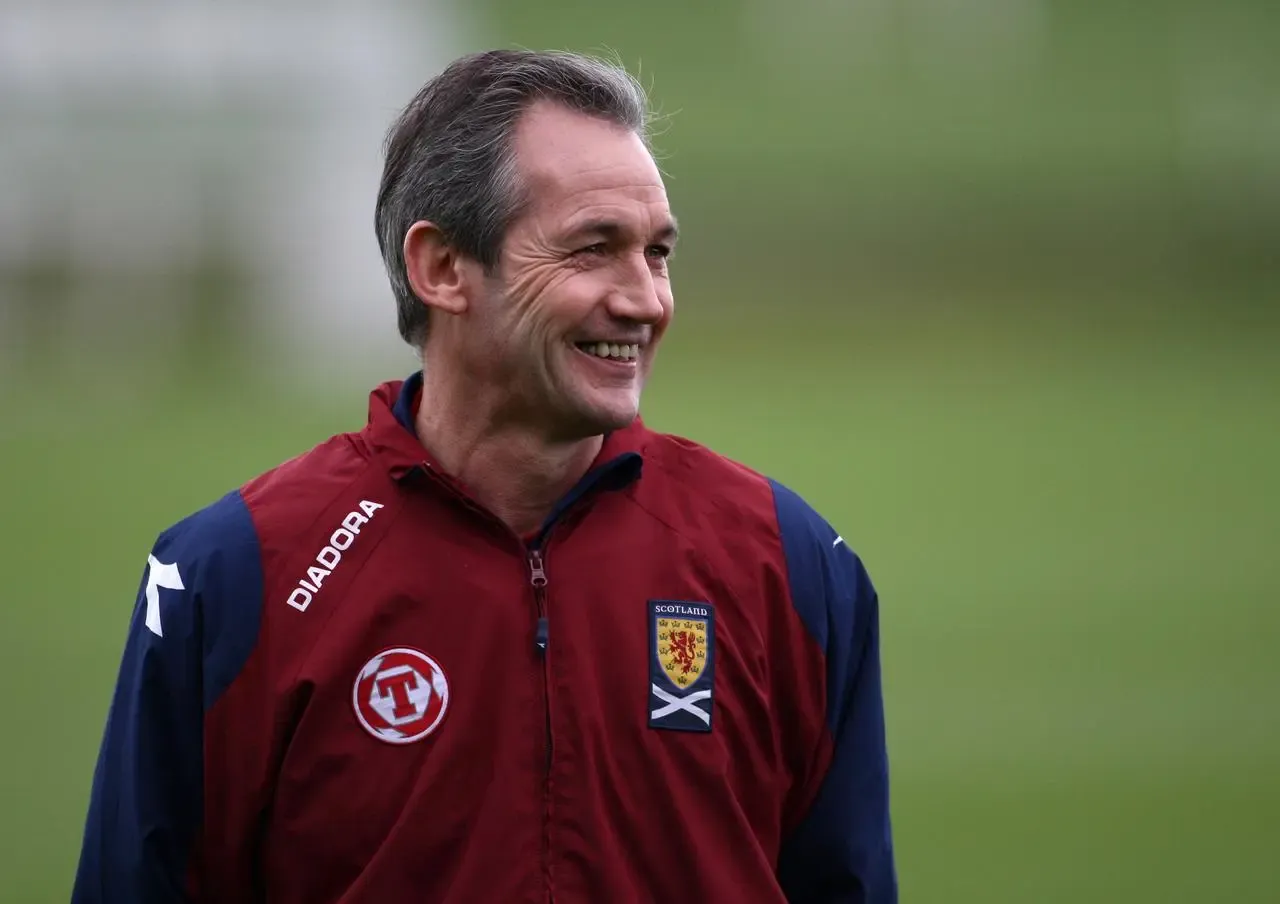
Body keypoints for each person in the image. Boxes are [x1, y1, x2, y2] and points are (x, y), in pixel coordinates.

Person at [71, 49, 896, 903]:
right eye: (593, 249)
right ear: (442, 270)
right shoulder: (236, 573)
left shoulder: (790, 565)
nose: (645, 299)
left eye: (657, 253)